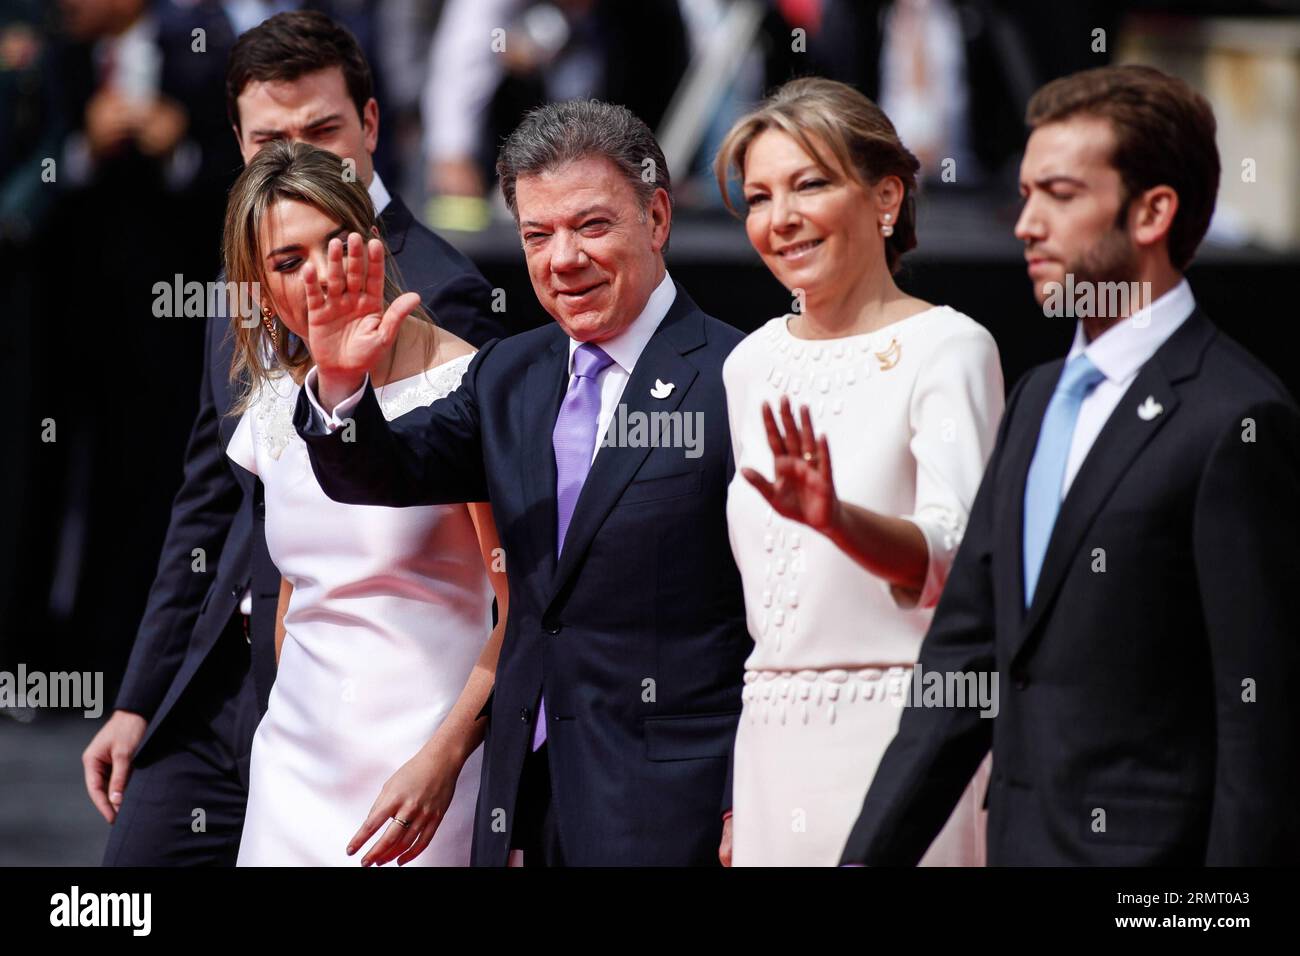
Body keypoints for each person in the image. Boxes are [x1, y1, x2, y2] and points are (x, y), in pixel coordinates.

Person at [840, 64, 1300, 866]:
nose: (1026, 224)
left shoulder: (1238, 420)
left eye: (1060, 193)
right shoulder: (1036, 397)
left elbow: (1260, 723)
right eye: (1025, 193)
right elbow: (961, 666)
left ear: (1154, 210)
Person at [85, 10, 504, 867]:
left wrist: (451, 746)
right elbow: (207, 505)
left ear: (370, 124)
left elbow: (502, 579)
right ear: (239, 143)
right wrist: (139, 696)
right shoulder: (241, 299)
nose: (317, 278)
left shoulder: (440, 298)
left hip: (392, 711)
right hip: (246, 691)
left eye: (322, 129)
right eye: (271, 136)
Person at [293, 99, 750, 866]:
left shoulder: (738, 377)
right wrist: (341, 384)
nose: (561, 259)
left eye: (591, 226)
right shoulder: (510, 372)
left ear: (659, 217)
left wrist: (747, 796)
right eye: (537, 235)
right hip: (522, 804)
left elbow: (770, 622)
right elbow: (385, 470)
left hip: (675, 809)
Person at [714, 77, 1003, 866]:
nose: (782, 219)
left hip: (905, 738)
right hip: (770, 746)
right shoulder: (749, 365)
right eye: (759, 197)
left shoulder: (951, 347)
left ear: (886, 197)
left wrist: (837, 520)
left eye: (810, 184)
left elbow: (958, 560)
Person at [221, 141, 505, 866]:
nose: (319, 275)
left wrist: (444, 759)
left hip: (427, 783)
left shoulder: (467, 389)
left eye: (336, 245)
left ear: (373, 242)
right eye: (287, 263)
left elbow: (522, 611)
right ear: (257, 286)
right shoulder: (278, 404)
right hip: (293, 780)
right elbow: (291, 599)